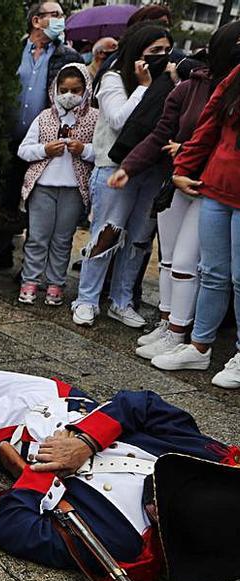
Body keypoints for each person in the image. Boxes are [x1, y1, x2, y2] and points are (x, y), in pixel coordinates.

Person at [0, 342, 240, 581]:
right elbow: (143, 404)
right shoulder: (200, 456)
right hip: (65, 401)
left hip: (18, 436)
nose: (154, 507)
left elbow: (14, 530)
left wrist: (29, 477)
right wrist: (86, 440)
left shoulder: (122, 543)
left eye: (161, 512)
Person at [118, 23, 240, 364]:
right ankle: (173, 328)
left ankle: (185, 333)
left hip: (210, 187)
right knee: (175, 262)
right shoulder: (196, 85)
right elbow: (189, 130)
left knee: (195, 265)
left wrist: (185, 156)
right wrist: (136, 166)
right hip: (186, 181)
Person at [70, 23, 173, 329]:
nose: (161, 57)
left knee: (140, 239)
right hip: (113, 168)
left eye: (166, 51)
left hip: (151, 169)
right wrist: (144, 86)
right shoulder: (114, 78)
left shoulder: (170, 81)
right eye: (154, 51)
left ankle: (122, 300)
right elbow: (117, 120)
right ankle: (87, 299)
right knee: (107, 233)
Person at [158, 59, 240, 387]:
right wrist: (184, 166)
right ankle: (199, 346)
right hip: (217, 186)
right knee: (212, 273)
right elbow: (210, 121)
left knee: (238, 278)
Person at [17, 63, 97, 307]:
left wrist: (84, 150)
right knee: (37, 237)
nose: (69, 95)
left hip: (74, 189)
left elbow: (103, 151)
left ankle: (55, 283)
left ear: (86, 90)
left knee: (63, 239)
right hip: (43, 186)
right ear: (55, 90)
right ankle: (30, 281)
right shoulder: (45, 117)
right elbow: (24, 150)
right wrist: (44, 149)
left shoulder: (94, 118)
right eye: (64, 90)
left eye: (76, 90)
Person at [16, 2, 82, 143]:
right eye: (55, 15)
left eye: (62, 16)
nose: (61, 20)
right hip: (6, 140)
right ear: (36, 21)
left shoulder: (70, 57)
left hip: (45, 142)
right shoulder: (13, 52)